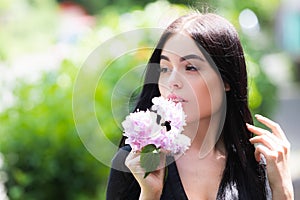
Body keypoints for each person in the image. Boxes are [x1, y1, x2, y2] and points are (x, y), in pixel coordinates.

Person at [106, 12, 294, 200]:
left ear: (226, 80)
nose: (173, 81)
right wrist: (150, 194)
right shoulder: (135, 163)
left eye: (190, 68)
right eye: (165, 68)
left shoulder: (256, 164)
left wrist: (283, 191)